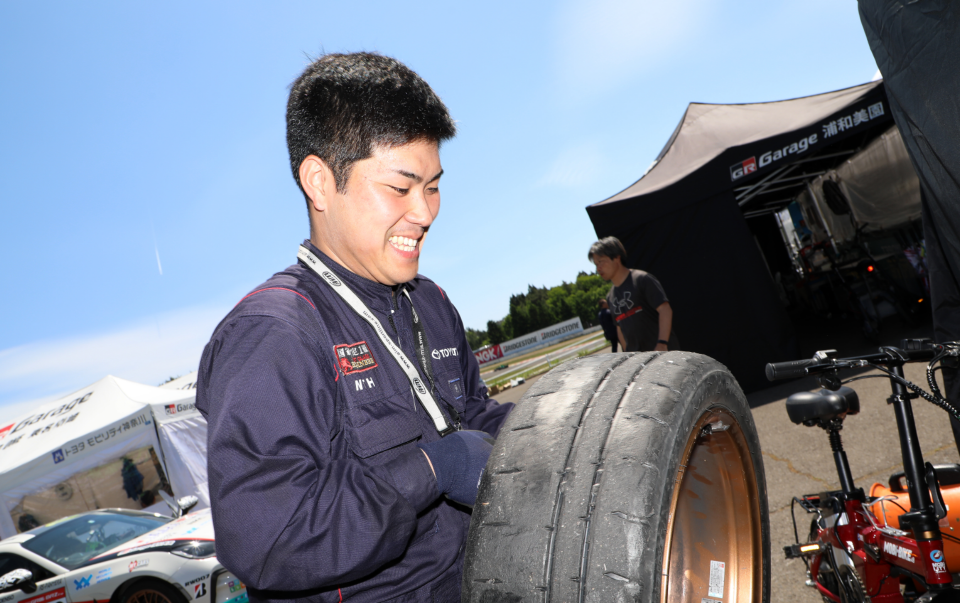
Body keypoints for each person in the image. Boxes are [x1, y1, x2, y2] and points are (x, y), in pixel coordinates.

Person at [196, 53, 514, 603]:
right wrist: (434, 468)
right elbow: (268, 542)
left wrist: (564, 422)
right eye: (400, 187)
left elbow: (474, 418)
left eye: (433, 186)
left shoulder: (431, 302)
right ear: (320, 183)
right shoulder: (273, 335)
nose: (426, 212)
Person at [588, 236, 680, 352]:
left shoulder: (642, 280)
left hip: (663, 355)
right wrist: (627, 356)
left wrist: (662, 343)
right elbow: (619, 328)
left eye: (600, 261)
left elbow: (665, 309)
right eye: (596, 264)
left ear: (616, 257)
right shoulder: (610, 296)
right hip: (639, 360)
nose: (598, 268)